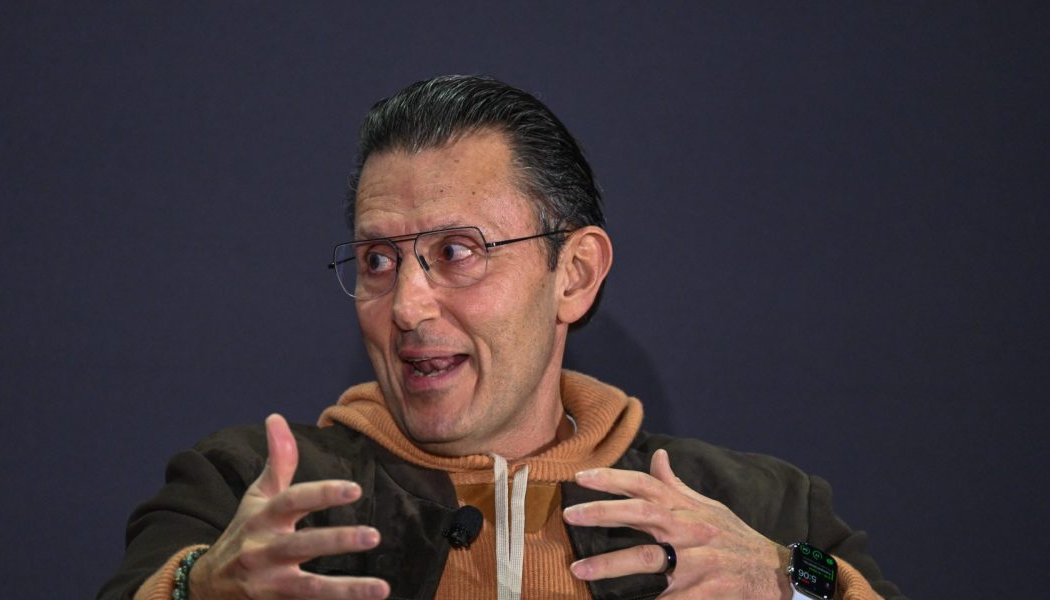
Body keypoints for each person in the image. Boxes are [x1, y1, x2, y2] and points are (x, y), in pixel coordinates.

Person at [97, 75, 906, 600]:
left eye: (456, 253)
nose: (407, 305)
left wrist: (789, 579)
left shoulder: (755, 509)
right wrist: (200, 588)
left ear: (574, 274)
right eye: (378, 259)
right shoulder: (249, 493)